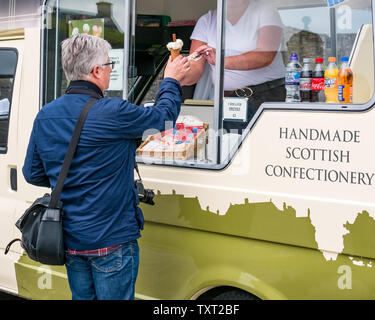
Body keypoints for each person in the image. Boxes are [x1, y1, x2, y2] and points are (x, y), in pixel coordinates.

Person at [22, 34, 190, 300]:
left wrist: (72, 178)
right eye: (110, 64)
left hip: (69, 240)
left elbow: (32, 173)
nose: (111, 70)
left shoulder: (46, 114)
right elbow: (163, 119)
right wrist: (171, 79)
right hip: (111, 240)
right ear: (96, 70)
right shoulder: (113, 111)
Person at [183, 0, 286, 133]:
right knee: (229, 148)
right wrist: (181, 73)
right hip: (227, 101)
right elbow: (195, 67)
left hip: (265, 96)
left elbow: (265, 56)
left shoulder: (266, 11)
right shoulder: (207, 20)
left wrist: (220, 61)